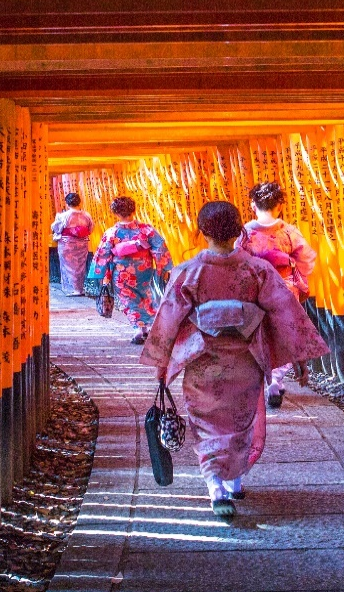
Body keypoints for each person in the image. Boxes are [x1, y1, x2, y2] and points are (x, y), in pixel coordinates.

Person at [141, 201, 329, 518]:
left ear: (202, 232)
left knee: (207, 424)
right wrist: (299, 355)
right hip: (246, 360)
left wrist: (163, 366)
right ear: (239, 229)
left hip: (203, 363)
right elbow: (284, 311)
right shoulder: (257, 271)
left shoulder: (189, 272)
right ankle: (235, 483)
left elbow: (168, 321)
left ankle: (216, 488)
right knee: (241, 422)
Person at [234, 182, 319, 409]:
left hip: (255, 290)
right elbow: (307, 259)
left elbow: (236, 262)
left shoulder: (245, 234)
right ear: (280, 206)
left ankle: (266, 378)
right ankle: (276, 380)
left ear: (253, 205)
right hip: (284, 290)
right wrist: (293, 272)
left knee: (259, 332)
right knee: (284, 334)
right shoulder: (289, 232)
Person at [93, 195, 173, 344]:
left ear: (115, 213)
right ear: (133, 210)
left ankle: (138, 329)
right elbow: (159, 247)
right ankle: (146, 327)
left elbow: (103, 253)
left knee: (129, 300)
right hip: (144, 269)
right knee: (145, 297)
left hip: (122, 272)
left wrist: (100, 272)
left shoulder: (112, 232)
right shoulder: (146, 230)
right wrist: (162, 267)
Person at [50, 192, 94, 296]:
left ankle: (72, 289)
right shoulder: (86, 215)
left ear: (67, 203)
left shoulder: (64, 215)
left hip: (67, 244)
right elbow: (90, 228)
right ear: (79, 202)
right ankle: (79, 288)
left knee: (68, 266)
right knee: (80, 266)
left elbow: (56, 228)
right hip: (82, 243)